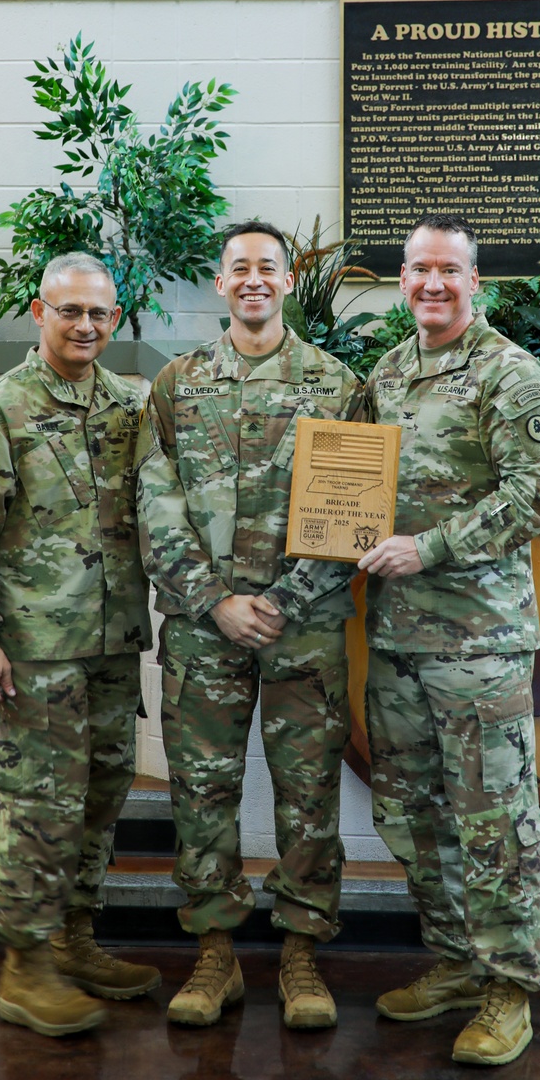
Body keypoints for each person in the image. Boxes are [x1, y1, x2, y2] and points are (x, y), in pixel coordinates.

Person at [136, 220, 365, 1030]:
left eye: (269, 266)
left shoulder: (337, 386)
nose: (255, 279)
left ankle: (301, 954)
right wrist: (216, 601)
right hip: (205, 631)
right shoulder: (177, 384)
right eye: (241, 268)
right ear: (220, 281)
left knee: (308, 796)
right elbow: (153, 506)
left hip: (301, 633)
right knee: (202, 793)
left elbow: (353, 516)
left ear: (290, 276)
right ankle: (216, 953)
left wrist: (282, 602)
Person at [358, 212, 540, 1066]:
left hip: (479, 643)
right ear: (401, 279)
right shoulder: (387, 373)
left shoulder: (509, 374)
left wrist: (431, 546)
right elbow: (354, 485)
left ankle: (507, 990)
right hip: (398, 641)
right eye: (418, 270)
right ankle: (451, 963)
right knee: (410, 813)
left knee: (494, 823)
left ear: (475, 282)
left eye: (449, 271)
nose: (432, 284)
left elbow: (538, 494)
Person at [0, 252, 161, 1037]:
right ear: (40, 312)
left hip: (110, 646)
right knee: (38, 808)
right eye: (71, 311)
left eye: (100, 312)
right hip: (35, 653)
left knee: (101, 793)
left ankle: (73, 939)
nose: (87, 325)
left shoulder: (131, 404)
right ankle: (24, 968)